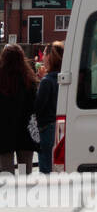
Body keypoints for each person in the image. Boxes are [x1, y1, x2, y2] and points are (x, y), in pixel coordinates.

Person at [0, 44, 39, 174]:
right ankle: (24, 194)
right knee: (25, 172)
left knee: (6, 171)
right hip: (25, 135)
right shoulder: (30, 81)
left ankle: (8, 194)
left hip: (4, 135)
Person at [34, 42, 62, 173]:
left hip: (45, 128)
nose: (42, 56)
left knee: (45, 166)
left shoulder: (47, 81)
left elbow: (38, 107)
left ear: (50, 57)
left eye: (44, 53)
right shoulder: (61, 78)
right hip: (57, 126)